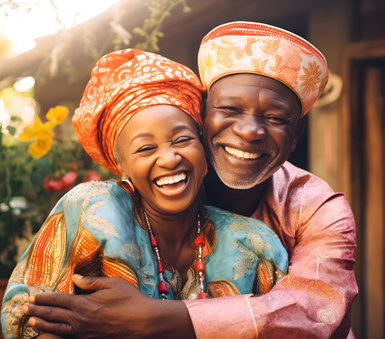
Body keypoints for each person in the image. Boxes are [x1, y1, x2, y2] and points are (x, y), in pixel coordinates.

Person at [21, 22, 358, 338]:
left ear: (296, 135)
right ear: (202, 115)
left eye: (274, 118)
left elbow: (318, 312)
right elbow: (32, 311)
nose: (249, 131)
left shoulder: (317, 209)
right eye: (230, 109)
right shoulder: (108, 207)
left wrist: (150, 319)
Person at [1, 48, 289, 339]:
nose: (168, 158)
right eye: (146, 149)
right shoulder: (91, 210)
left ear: (203, 147)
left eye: (182, 140)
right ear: (120, 165)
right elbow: (30, 319)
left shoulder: (255, 244)